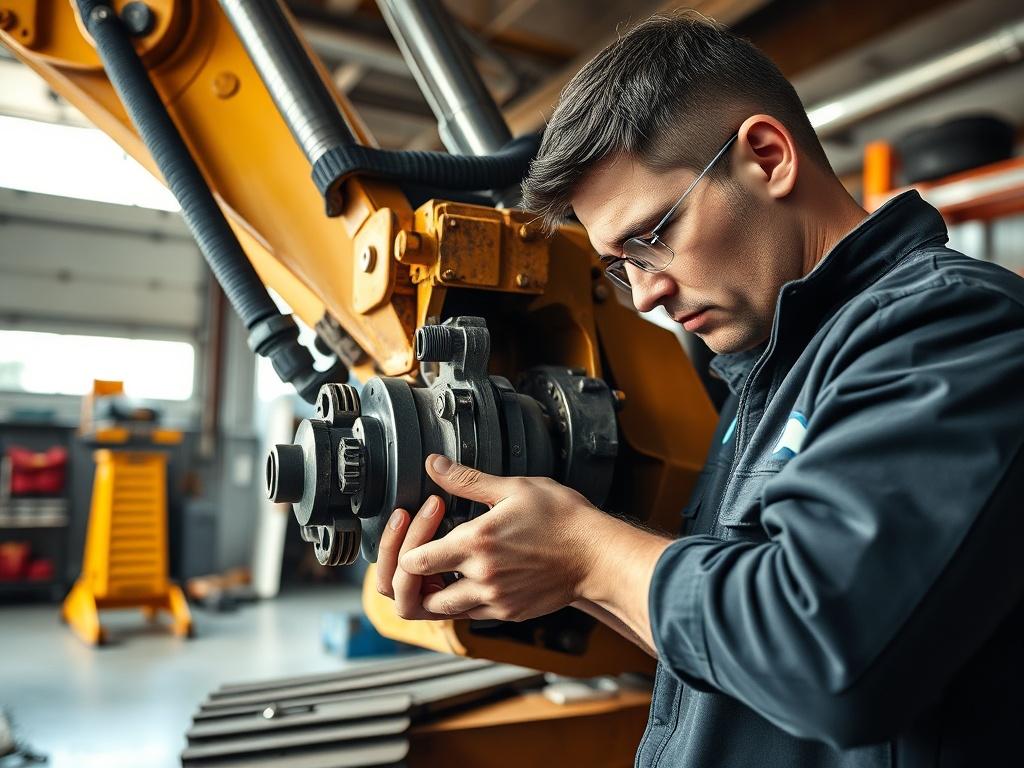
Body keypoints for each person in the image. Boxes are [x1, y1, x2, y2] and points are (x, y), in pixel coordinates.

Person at [375, 12, 1024, 768]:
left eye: (651, 237)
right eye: (623, 264)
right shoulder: (763, 375)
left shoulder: (951, 327)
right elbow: (731, 640)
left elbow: (830, 660)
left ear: (767, 156)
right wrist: (545, 573)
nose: (645, 295)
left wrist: (587, 552)